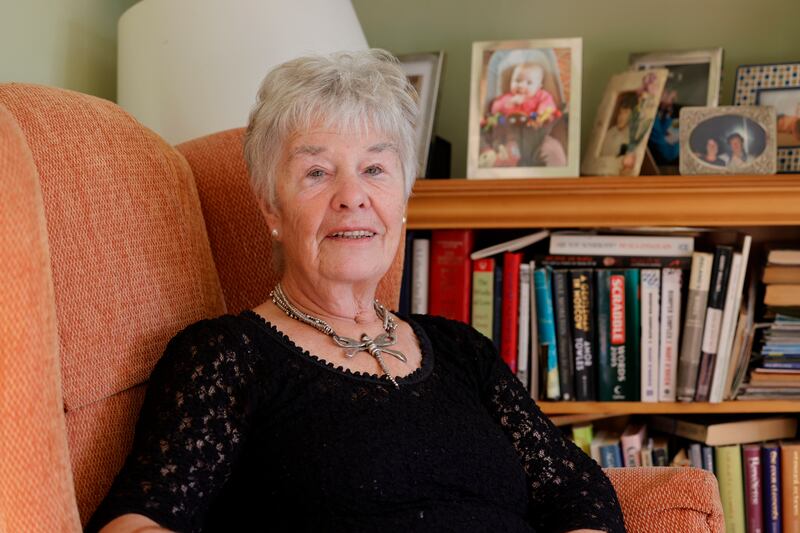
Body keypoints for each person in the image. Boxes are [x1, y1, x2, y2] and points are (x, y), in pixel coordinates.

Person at [86, 50, 624, 533]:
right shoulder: (227, 357)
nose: (353, 196)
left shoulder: (463, 351)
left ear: (403, 202)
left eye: (374, 168)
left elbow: (578, 491)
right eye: (317, 172)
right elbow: (140, 519)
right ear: (272, 208)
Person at [490, 62, 560, 125]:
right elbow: (494, 110)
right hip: (512, 128)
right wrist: (509, 103)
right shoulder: (508, 97)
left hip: (534, 127)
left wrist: (541, 113)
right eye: (517, 80)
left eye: (529, 83)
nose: (521, 86)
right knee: (499, 123)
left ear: (538, 87)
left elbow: (549, 104)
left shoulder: (541, 95)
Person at [600, 92, 638, 157]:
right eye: (620, 112)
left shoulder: (632, 138)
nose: (621, 117)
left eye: (625, 112)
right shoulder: (611, 132)